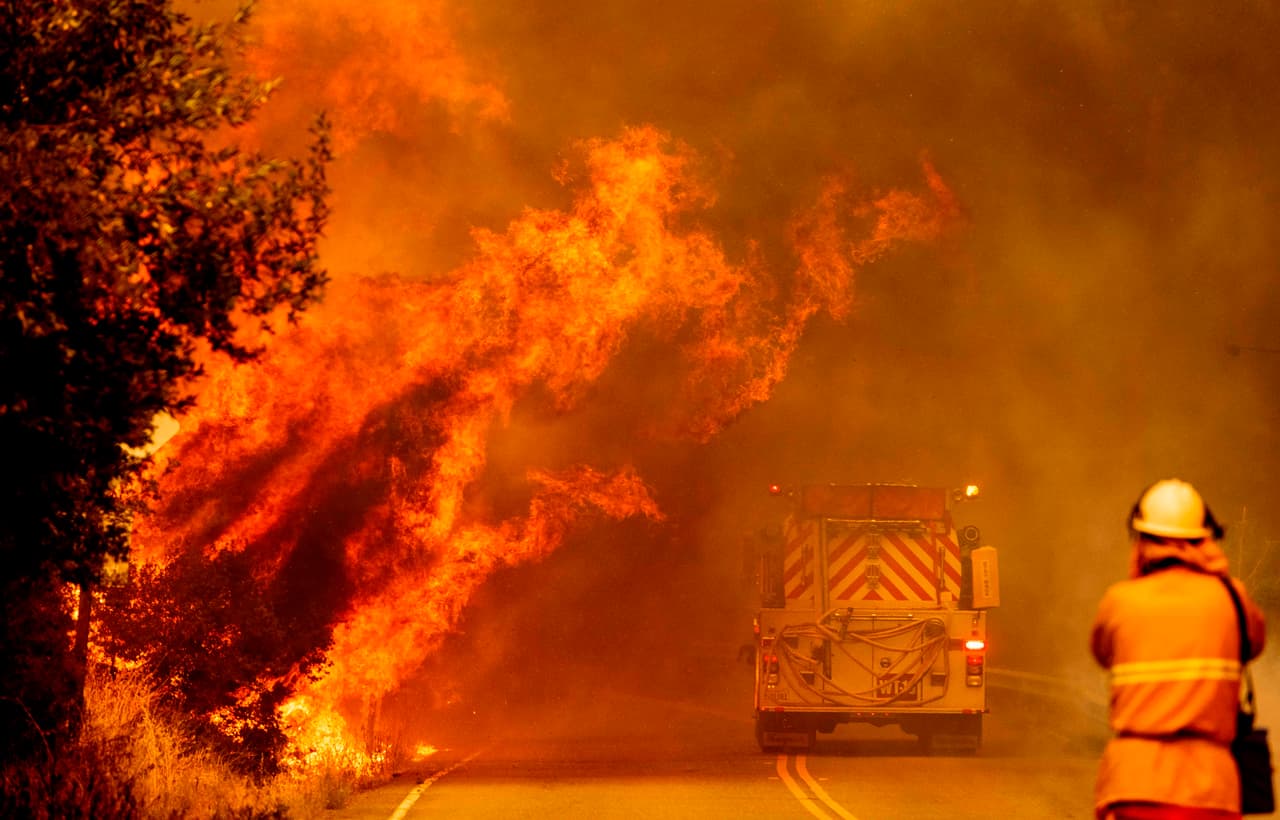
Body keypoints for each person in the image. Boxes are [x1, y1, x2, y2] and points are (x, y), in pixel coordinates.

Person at [1091, 479, 1267, 820]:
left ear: (1140, 540)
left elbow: (1102, 652)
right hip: (1210, 791)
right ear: (1206, 540)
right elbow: (1252, 644)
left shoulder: (1119, 602)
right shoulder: (1232, 599)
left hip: (1132, 786)